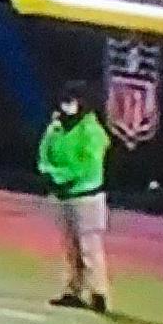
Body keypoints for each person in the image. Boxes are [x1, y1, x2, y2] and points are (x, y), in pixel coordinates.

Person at [38, 81, 112, 312]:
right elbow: (44, 153)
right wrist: (48, 172)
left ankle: (98, 293)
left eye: (73, 100)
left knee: (90, 246)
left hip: (87, 196)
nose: (67, 105)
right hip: (63, 196)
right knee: (70, 247)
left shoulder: (92, 131)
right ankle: (73, 290)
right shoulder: (56, 127)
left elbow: (88, 166)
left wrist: (60, 176)